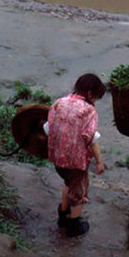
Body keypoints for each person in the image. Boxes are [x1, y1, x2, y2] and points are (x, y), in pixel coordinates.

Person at [46, 73, 106, 237]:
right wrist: (99, 162)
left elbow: (48, 128)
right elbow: (91, 139)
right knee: (78, 194)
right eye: (96, 97)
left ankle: (62, 216)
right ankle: (73, 226)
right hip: (76, 163)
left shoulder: (59, 103)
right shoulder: (89, 111)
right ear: (90, 94)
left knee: (68, 183)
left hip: (57, 159)